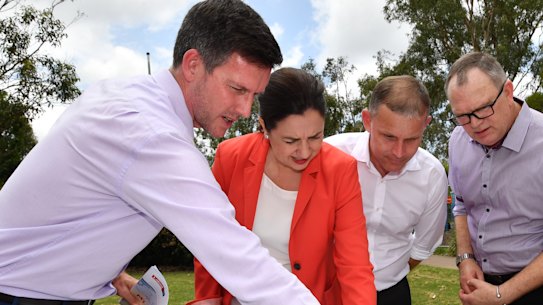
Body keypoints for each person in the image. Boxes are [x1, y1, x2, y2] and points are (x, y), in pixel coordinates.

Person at [0, 1, 321, 305]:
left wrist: (113, 275)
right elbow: (239, 258)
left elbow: (70, 206)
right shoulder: (151, 135)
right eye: (237, 89)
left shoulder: (125, 96)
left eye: (254, 95)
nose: (245, 109)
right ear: (193, 64)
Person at [189, 67, 376, 305]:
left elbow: (355, 265)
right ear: (264, 127)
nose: (305, 152)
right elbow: (210, 235)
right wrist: (208, 297)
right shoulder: (230, 157)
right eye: (291, 141)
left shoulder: (341, 170)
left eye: (315, 137)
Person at [325, 75, 448, 305]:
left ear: (426, 124)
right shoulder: (330, 154)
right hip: (327, 291)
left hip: (391, 294)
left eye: (412, 139)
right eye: (389, 137)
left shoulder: (432, 175)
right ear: (367, 120)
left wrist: (386, 275)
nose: (399, 152)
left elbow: (423, 246)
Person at [446, 52, 543, 305]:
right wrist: (465, 257)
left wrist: (502, 295)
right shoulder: (458, 140)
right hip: (480, 284)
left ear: (508, 91)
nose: (475, 124)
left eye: (483, 109)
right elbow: (461, 204)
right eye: (463, 116)